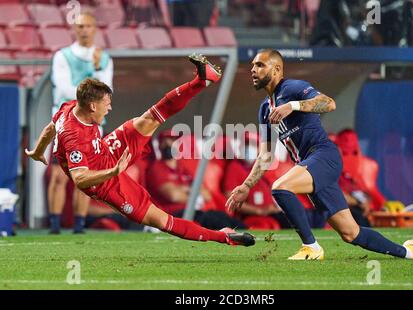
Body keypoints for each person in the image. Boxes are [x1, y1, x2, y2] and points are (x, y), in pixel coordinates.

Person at [226, 49, 413, 260]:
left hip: (323, 156)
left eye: (260, 65)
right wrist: (246, 186)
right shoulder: (265, 109)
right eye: (253, 65)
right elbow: (265, 155)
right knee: (351, 233)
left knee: (280, 188)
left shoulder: (292, 88)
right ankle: (409, 252)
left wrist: (293, 106)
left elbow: (329, 103)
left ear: (276, 70)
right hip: (310, 166)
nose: (253, 69)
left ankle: (311, 247)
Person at [26, 53, 255, 247]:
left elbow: (51, 127)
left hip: (106, 152)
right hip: (106, 184)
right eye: (106, 104)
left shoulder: (69, 107)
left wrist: (38, 151)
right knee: (162, 221)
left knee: (149, 118)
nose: (110, 108)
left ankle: (202, 80)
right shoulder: (75, 137)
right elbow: (80, 178)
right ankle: (223, 236)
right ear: (92, 106)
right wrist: (113, 172)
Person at [48, 12, 113, 234]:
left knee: (86, 175)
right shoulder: (62, 56)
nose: (84, 30)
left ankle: (79, 225)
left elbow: (105, 93)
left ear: (95, 28)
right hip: (65, 123)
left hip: (92, 124)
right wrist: (91, 89)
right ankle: (55, 224)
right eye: (80, 26)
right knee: (58, 175)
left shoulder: (104, 59)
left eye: (87, 26)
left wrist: (96, 70)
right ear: (74, 29)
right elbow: (64, 88)